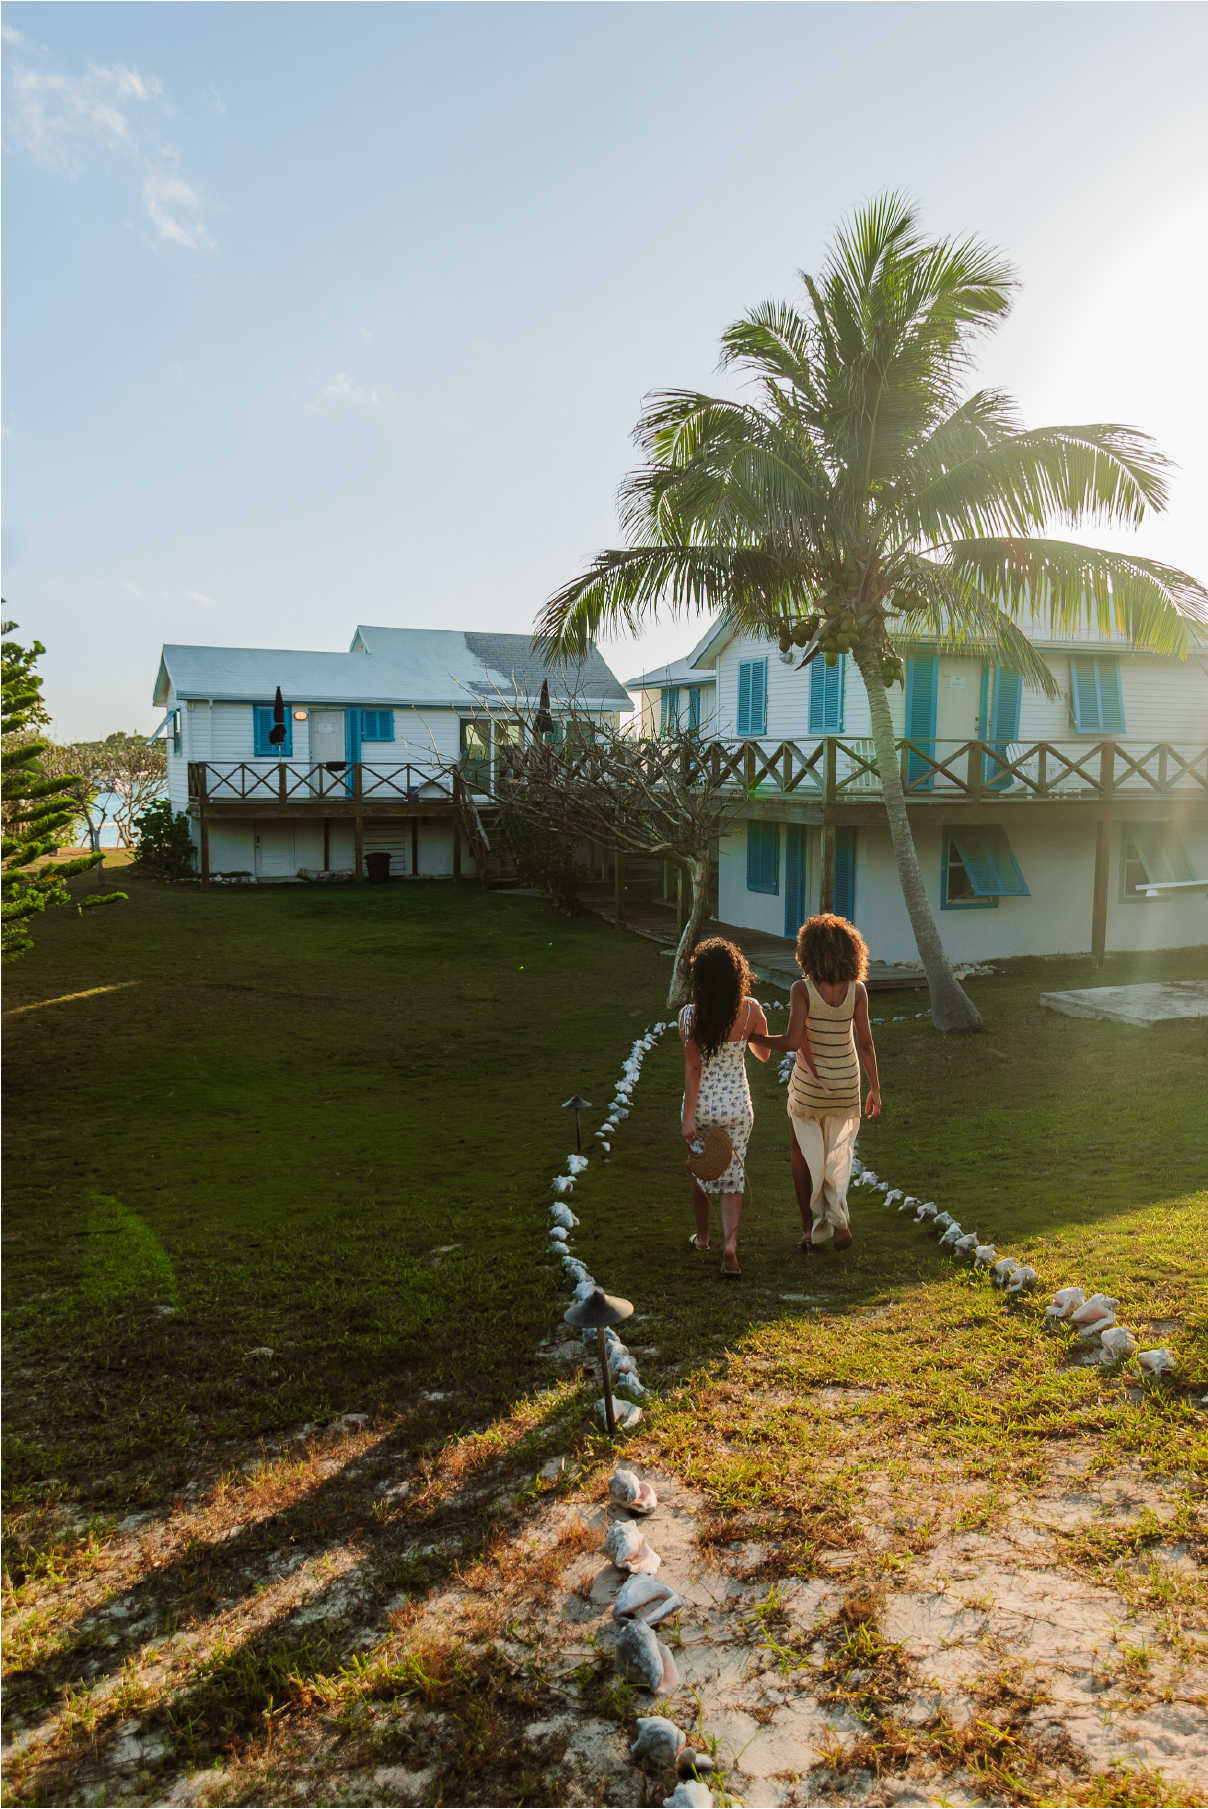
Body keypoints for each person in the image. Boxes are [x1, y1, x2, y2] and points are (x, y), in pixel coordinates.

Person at [748, 913, 881, 1252]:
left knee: (802, 1154)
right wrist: (875, 1088)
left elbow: (792, 1042)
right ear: (851, 951)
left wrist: (756, 1038)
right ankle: (838, 1221)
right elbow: (865, 1044)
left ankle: (809, 1230)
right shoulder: (858, 991)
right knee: (838, 1153)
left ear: (807, 953)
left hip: (810, 1088)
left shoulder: (802, 990)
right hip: (847, 1084)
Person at [679, 938, 770, 1279]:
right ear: (737, 975)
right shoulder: (750, 1010)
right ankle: (729, 1245)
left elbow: (694, 1068)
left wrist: (688, 1116)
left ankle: (703, 1238)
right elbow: (763, 1055)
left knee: (702, 1170)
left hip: (702, 1106)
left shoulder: (690, 1016)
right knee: (732, 1180)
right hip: (737, 1107)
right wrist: (753, 1031)